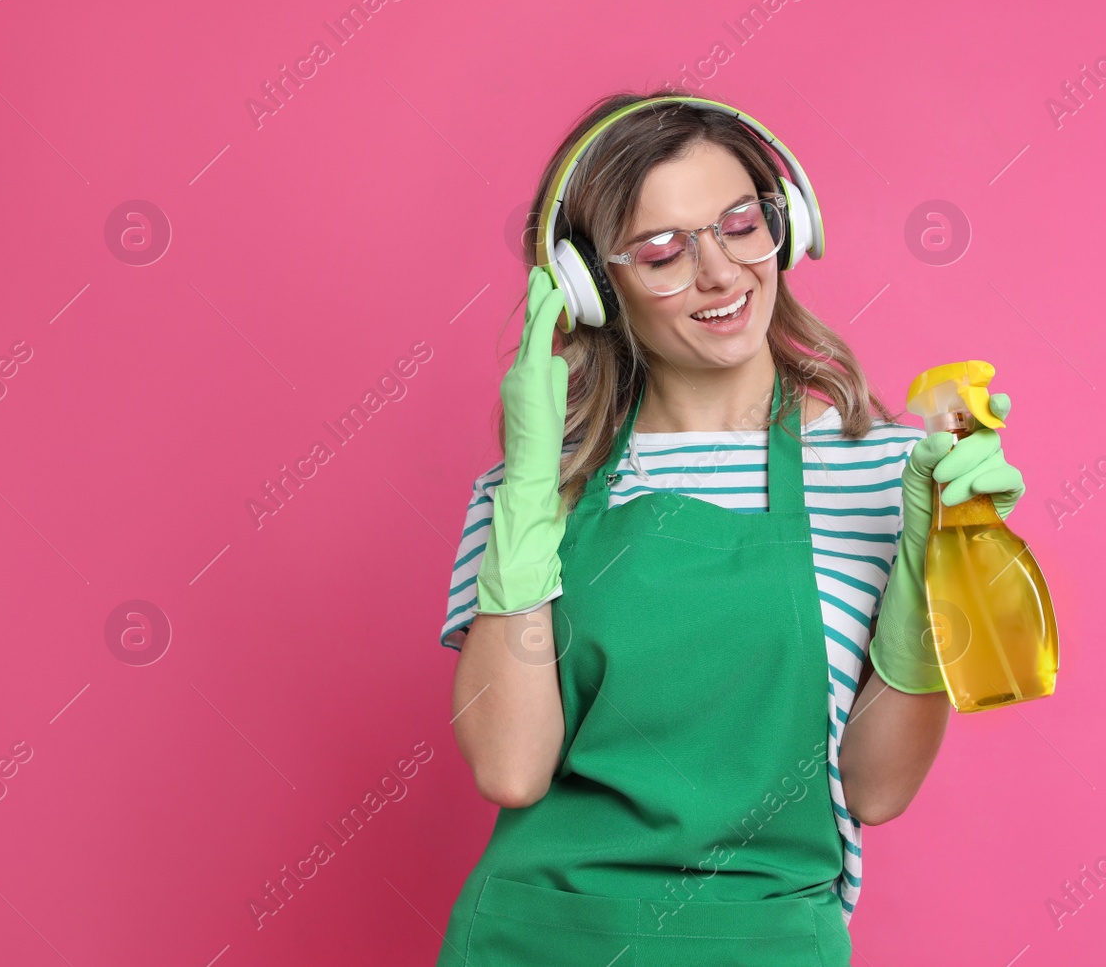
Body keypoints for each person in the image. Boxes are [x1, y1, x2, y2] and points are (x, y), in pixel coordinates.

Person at [435, 92, 1025, 966]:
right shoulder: (532, 486)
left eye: (740, 223)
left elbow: (876, 785)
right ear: (593, 287)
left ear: (786, 226)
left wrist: (938, 561)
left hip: (766, 941)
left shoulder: (892, 476)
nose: (720, 273)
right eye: (664, 251)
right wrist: (527, 495)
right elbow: (511, 769)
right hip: (541, 940)